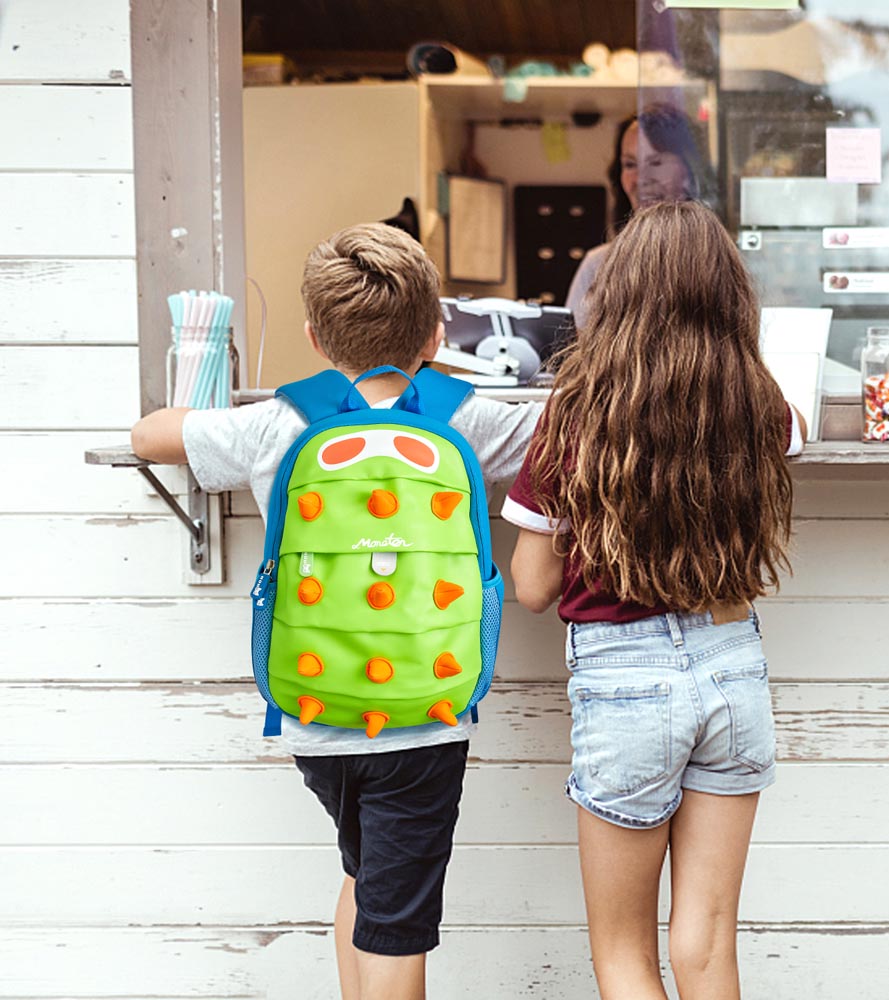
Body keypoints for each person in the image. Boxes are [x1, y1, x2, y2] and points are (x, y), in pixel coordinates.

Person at [131, 223, 542, 1000]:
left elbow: (149, 435)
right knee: (395, 928)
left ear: (317, 337)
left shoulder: (279, 424)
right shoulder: (466, 419)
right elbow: (576, 427)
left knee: (364, 879)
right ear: (436, 330)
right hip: (425, 717)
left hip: (316, 716)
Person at [502, 200, 805, 1000]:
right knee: (706, 946)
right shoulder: (755, 402)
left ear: (618, 291)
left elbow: (530, 587)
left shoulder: (574, 413)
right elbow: (794, 426)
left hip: (625, 682)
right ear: (730, 296)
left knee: (624, 955)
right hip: (733, 669)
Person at [566, 105, 707, 329]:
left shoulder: (715, 260)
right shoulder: (597, 265)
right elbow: (571, 354)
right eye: (630, 164)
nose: (641, 179)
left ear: (690, 172)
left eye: (656, 163)